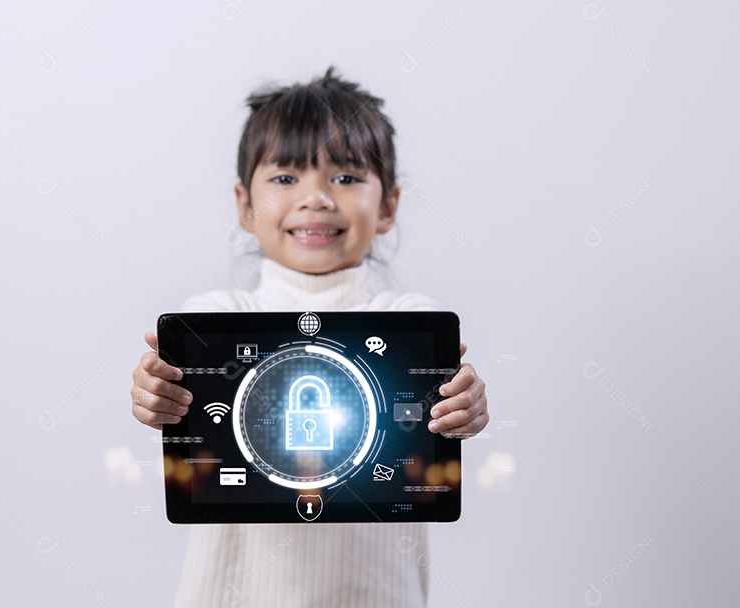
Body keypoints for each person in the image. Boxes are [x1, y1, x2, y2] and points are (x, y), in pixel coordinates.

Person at [129, 67, 489, 607]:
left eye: (346, 178)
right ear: (244, 206)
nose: (316, 198)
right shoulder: (211, 320)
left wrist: (467, 407)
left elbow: (443, 419)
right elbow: (186, 426)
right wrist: (156, 397)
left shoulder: (413, 322)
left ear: (388, 205)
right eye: (285, 178)